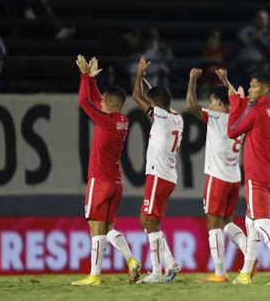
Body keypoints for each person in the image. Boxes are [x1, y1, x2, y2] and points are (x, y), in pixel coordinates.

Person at [216, 69, 270, 285]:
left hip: (257, 174)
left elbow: (233, 130)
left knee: (260, 223)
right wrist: (232, 90)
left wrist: (234, 101)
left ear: (266, 88)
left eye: (253, 86)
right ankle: (245, 273)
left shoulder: (258, 109)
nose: (250, 90)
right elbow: (250, 119)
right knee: (251, 223)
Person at [71, 55, 141, 286]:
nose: (99, 103)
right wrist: (91, 80)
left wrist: (83, 76)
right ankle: (130, 260)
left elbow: (84, 102)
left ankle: (94, 276)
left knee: (96, 228)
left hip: (99, 181)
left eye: (103, 102)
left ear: (109, 104)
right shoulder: (121, 119)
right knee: (109, 228)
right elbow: (95, 99)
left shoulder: (106, 121)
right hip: (116, 183)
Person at [186, 68, 250, 282]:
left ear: (220, 105)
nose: (210, 104)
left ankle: (220, 273)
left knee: (213, 225)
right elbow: (236, 100)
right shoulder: (240, 118)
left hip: (217, 177)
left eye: (212, 101)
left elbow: (190, 106)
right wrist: (225, 80)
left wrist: (192, 80)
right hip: (234, 178)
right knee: (227, 223)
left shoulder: (216, 117)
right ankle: (250, 256)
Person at [133, 56, 183, 284]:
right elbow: (155, 100)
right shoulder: (176, 117)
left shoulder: (161, 116)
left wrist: (139, 75)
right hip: (168, 176)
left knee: (150, 223)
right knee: (145, 220)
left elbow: (136, 97)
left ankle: (155, 272)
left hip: (158, 175)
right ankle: (170, 261)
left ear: (157, 104)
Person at [237, 10, 270, 77]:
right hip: (245, 65)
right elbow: (241, 42)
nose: (261, 21)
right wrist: (253, 37)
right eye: (258, 18)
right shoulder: (246, 31)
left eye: (263, 19)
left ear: (267, 21)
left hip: (263, 67)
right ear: (254, 19)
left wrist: (262, 41)